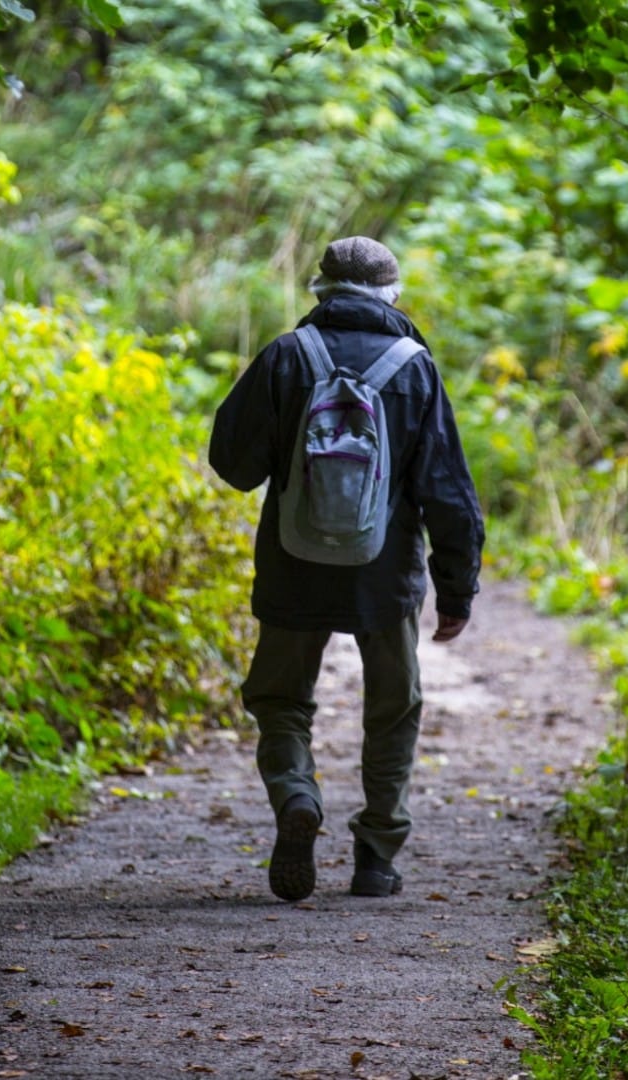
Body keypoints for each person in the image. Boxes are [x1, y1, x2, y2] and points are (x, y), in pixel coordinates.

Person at [208, 236, 484, 902]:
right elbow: (447, 490)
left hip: (291, 563)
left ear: (321, 290)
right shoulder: (413, 366)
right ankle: (376, 856)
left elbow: (233, 465)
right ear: (393, 294)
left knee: (280, 700)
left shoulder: (286, 357)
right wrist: (456, 590)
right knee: (393, 708)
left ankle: (298, 795)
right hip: (383, 574)